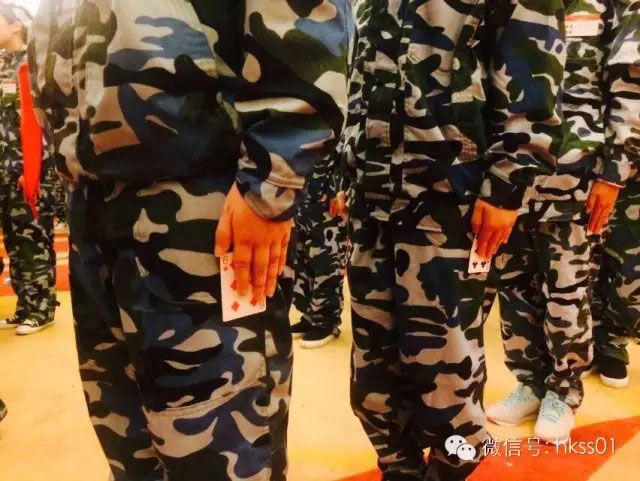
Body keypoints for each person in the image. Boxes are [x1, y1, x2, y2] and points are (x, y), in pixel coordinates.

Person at [30, 1, 349, 480]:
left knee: (218, 440)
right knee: (126, 431)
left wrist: (271, 180)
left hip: (203, 204)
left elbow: (302, 22)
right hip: (92, 198)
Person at [342, 1, 566, 479]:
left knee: (446, 384)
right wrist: (346, 169)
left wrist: (507, 184)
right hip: (373, 204)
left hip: (450, 206)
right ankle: (398, 471)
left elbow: (533, 74)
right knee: (373, 386)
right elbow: (359, 78)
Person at [487, 0, 640, 442]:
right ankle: (529, 382)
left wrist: (615, 172)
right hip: (513, 173)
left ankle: (563, 390)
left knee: (567, 289)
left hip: (576, 176)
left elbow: (630, 88)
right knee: (515, 285)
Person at [590, 0, 640, 388]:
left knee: (628, 257)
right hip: (584, 144)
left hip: (629, 152)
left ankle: (613, 337)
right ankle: (589, 334)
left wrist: (618, 167)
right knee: (587, 250)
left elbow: (632, 87)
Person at [0, 3, 57, 335]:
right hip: (2, 171)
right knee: (13, 241)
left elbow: (44, 120)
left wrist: (34, 168)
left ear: (16, 25)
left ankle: (41, 309)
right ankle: (24, 308)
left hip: (28, 168)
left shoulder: (34, 64)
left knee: (32, 239)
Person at [291, 141, 351, 349]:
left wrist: (337, 188)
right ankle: (310, 315)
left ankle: (326, 322)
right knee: (303, 260)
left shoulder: (336, 120)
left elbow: (344, 148)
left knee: (326, 260)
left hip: (327, 199)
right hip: (304, 196)